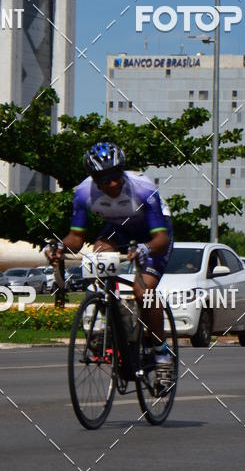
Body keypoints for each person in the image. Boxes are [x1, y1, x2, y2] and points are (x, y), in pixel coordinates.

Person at [47, 141, 173, 366]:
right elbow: (75, 239)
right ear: (94, 179)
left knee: (144, 293)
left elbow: (161, 240)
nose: (113, 183)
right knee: (99, 256)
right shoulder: (84, 192)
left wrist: (145, 248)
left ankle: (161, 351)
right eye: (104, 179)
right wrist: (58, 247)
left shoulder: (143, 187)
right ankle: (116, 321)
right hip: (119, 229)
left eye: (116, 175)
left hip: (153, 233)